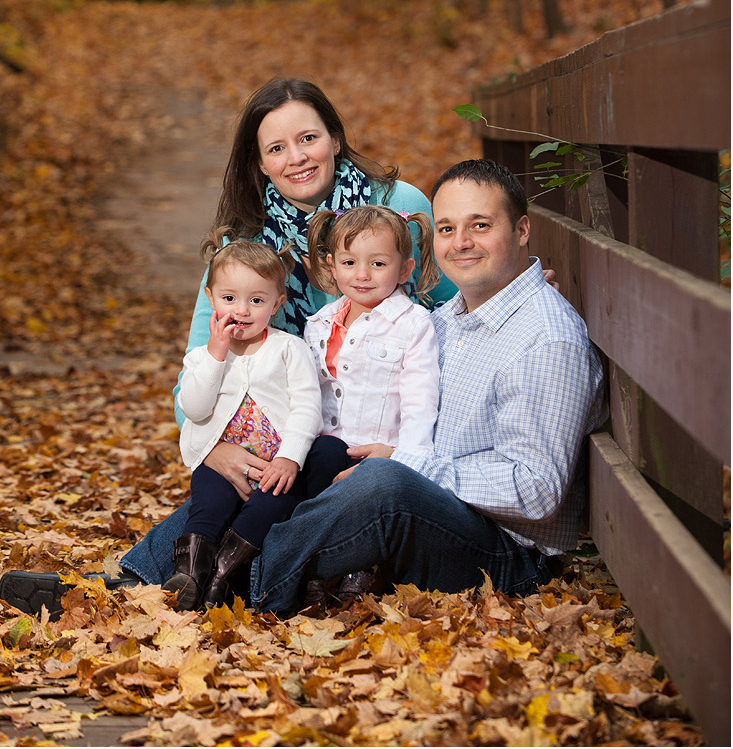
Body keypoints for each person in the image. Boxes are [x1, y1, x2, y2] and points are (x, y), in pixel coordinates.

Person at [0, 78, 458, 616]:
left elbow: (448, 305)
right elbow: (196, 370)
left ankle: (134, 588)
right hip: (288, 429)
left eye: (308, 138)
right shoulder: (243, 245)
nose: (297, 158)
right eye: (276, 149)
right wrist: (216, 447)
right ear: (260, 163)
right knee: (235, 488)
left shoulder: (397, 207)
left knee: (282, 492)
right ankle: (135, 586)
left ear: (335, 137)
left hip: (378, 427)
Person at [249, 158, 606, 614]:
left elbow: (536, 490)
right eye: (448, 228)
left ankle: (249, 578)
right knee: (297, 457)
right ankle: (168, 564)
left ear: (521, 230)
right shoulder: (450, 319)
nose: (462, 243)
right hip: (443, 516)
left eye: (480, 225)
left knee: (385, 481)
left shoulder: (546, 340)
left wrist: (411, 465)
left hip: (507, 555)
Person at [163, 235, 322, 611]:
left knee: (271, 507)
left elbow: (307, 407)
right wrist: (216, 357)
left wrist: (290, 457)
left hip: (274, 466)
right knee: (208, 499)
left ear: (277, 304)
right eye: (229, 298)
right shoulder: (203, 357)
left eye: (256, 300)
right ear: (210, 298)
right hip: (222, 461)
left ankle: (225, 573)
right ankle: (190, 572)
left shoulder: (288, 349)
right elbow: (195, 409)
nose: (242, 310)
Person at [301, 203, 442, 601]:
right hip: (326, 448)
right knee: (316, 483)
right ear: (331, 265)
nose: (362, 275)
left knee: (364, 508)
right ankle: (312, 564)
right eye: (349, 261)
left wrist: (404, 460)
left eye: (378, 263)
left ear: (405, 270)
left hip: (377, 453)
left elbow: (420, 401)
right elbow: (310, 394)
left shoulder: (413, 326)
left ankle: (363, 565)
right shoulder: (319, 324)